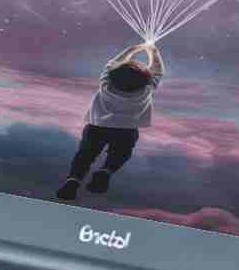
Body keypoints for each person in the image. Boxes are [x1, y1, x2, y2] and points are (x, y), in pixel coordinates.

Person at [57, 40, 166, 202]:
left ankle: (73, 180)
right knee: (121, 154)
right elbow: (158, 71)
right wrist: (153, 52)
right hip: (126, 131)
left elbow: (112, 63)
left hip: (97, 127)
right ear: (145, 79)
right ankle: (106, 171)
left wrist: (132, 49)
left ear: (114, 74)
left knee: (85, 155)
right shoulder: (146, 89)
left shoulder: (106, 84)